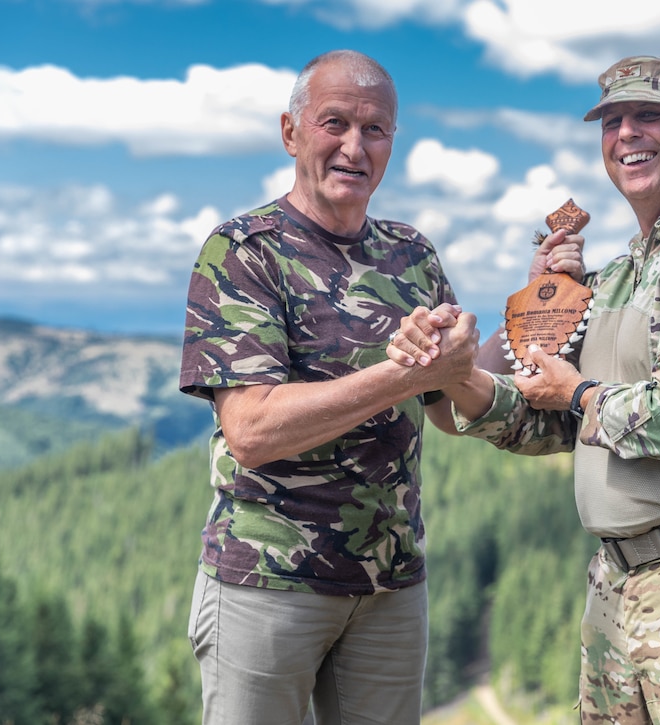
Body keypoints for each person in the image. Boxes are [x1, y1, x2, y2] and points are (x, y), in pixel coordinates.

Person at [394, 56, 660, 723]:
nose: (626, 134)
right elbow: (547, 418)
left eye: (650, 115)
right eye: (612, 120)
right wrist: (461, 375)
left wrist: (580, 392)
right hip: (619, 587)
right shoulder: (616, 276)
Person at [178, 50, 483, 725]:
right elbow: (252, 431)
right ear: (291, 132)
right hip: (268, 582)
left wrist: (536, 304)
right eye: (334, 123)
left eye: (376, 130)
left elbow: (449, 412)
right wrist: (401, 373)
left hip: (390, 587)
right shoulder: (243, 251)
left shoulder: (413, 255)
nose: (355, 146)